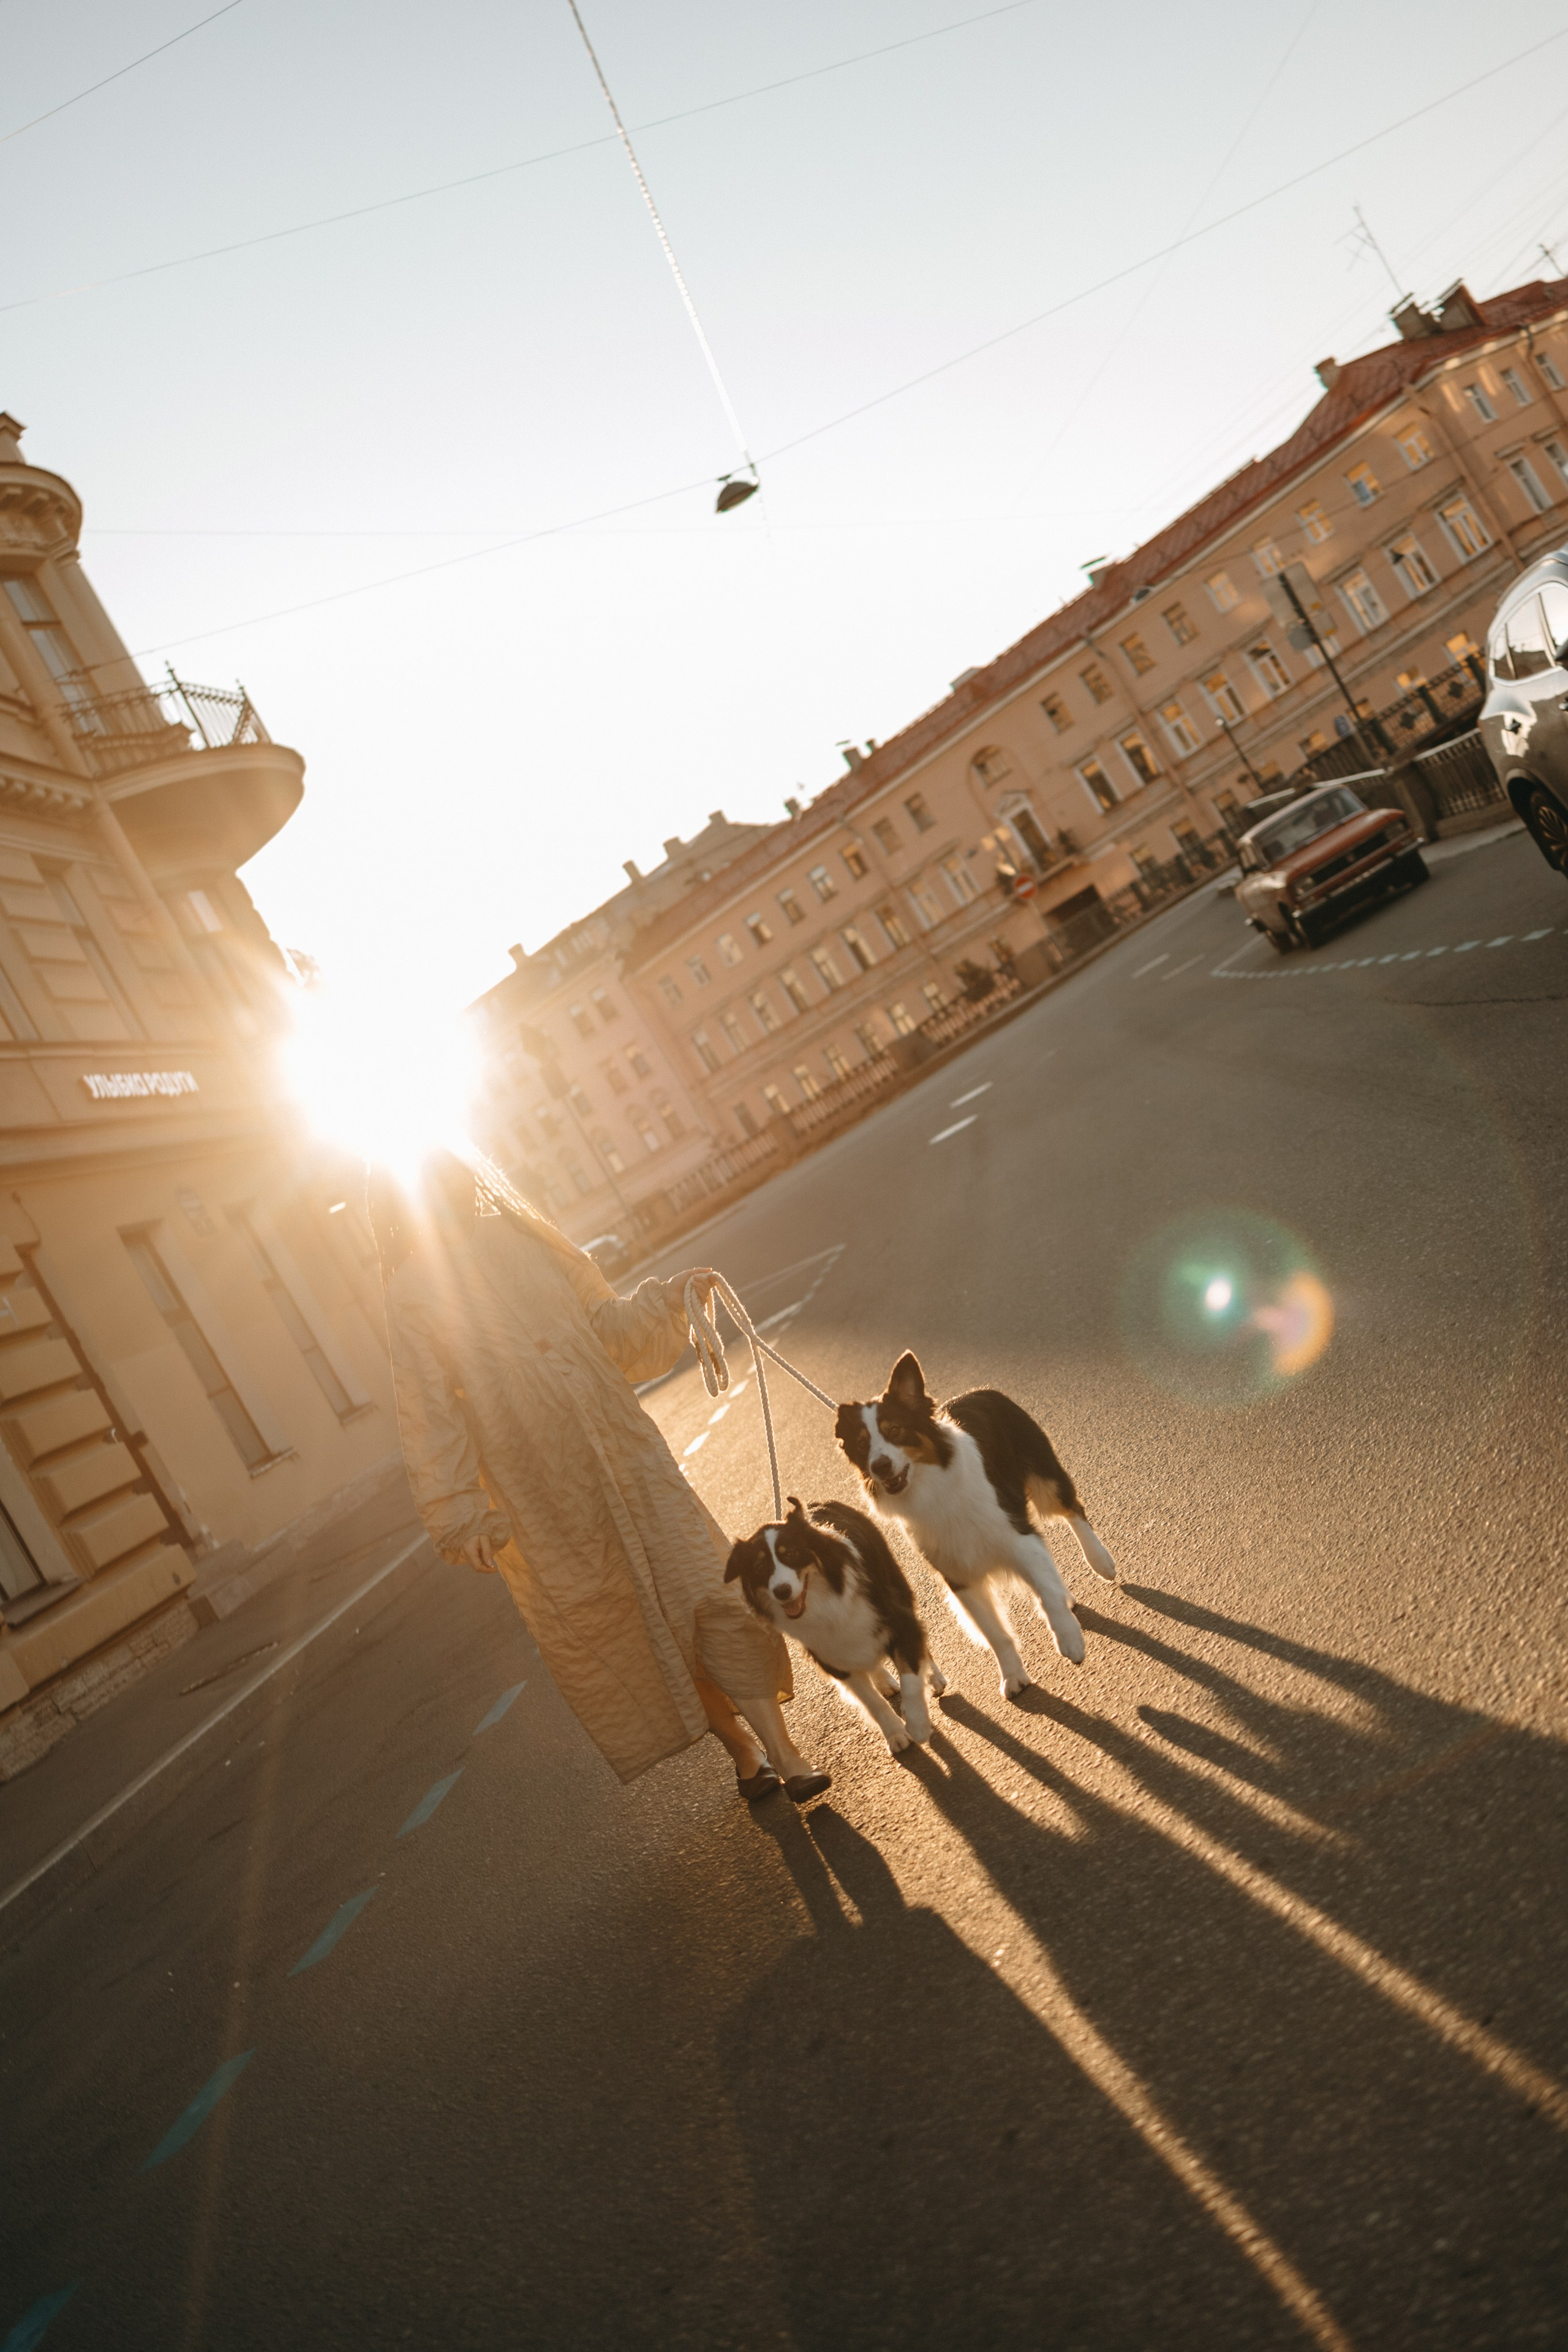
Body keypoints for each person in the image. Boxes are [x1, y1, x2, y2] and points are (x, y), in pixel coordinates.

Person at [371, 1149, 827, 1803]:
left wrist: (668, 1298)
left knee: (712, 1591)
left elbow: (607, 1328)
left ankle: (787, 1754)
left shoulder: (527, 1240)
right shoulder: (410, 1294)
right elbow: (428, 1411)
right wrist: (457, 1513)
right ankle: (742, 1749)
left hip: (629, 1455)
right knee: (646, 1635)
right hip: (543, 1494)